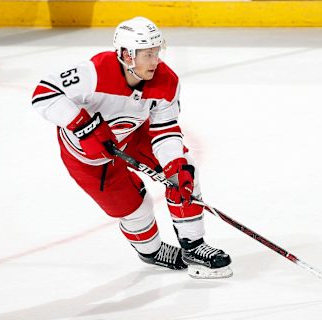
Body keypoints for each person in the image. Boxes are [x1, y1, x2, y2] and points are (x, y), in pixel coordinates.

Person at [31, 17, 232, 279]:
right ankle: (151, 251)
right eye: (148, 54)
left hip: (134, 138)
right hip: (87, 159)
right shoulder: (94, 72)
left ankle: (193, 245)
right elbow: (43, 94)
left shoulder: (166, 82)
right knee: (136, 209)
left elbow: (165, 129)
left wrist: (173, 164)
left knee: (183, 172)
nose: (155, 61)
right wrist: (83, 125)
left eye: (156, 52)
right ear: (127, 55)